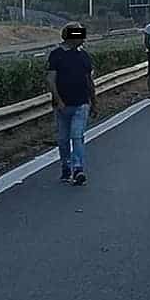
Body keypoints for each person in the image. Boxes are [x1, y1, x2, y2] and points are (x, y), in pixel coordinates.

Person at [47, 22, 97, 186]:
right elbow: (51, 79)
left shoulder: (84, 57)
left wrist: (93, 101)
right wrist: (58, 100)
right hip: (61, 105)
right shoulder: (56, 55)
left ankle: (78, 168)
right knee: (62, 140)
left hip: (81, 103)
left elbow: (89, 80)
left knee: (77, 137)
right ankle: (66, 166)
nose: (82, 38)